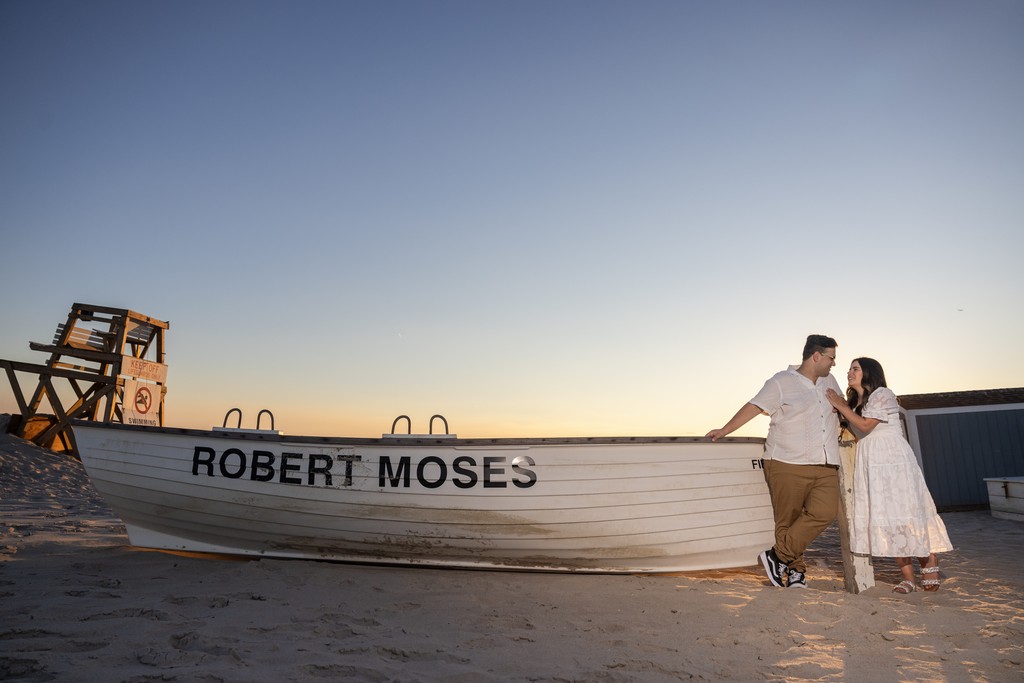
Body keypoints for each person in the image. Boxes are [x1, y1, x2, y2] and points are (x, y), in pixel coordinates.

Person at [707, 334, 842, 589]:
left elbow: (841, 408)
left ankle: (776, 557)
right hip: (786, 461)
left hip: (826, 463)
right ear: (816, 356)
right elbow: (755, 406)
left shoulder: (830, 381)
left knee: (825, 512)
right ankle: (796, 572)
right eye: (831, 358)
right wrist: (725, 430)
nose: (834, 364)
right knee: (787, 521)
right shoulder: (781, 381)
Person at [825, 358, 953, 594]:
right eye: (849, 369)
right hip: (871, 463)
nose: (849, 372)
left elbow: (865, 426)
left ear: (869, 373)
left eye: (855, 369)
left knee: (907, 514)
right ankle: (908, 579)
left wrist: (840, 405)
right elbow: (856, 430)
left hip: (894, 462)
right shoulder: (856, 404)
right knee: (889, 518)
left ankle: (929, 559)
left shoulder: (883, 394)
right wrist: (842, 408)